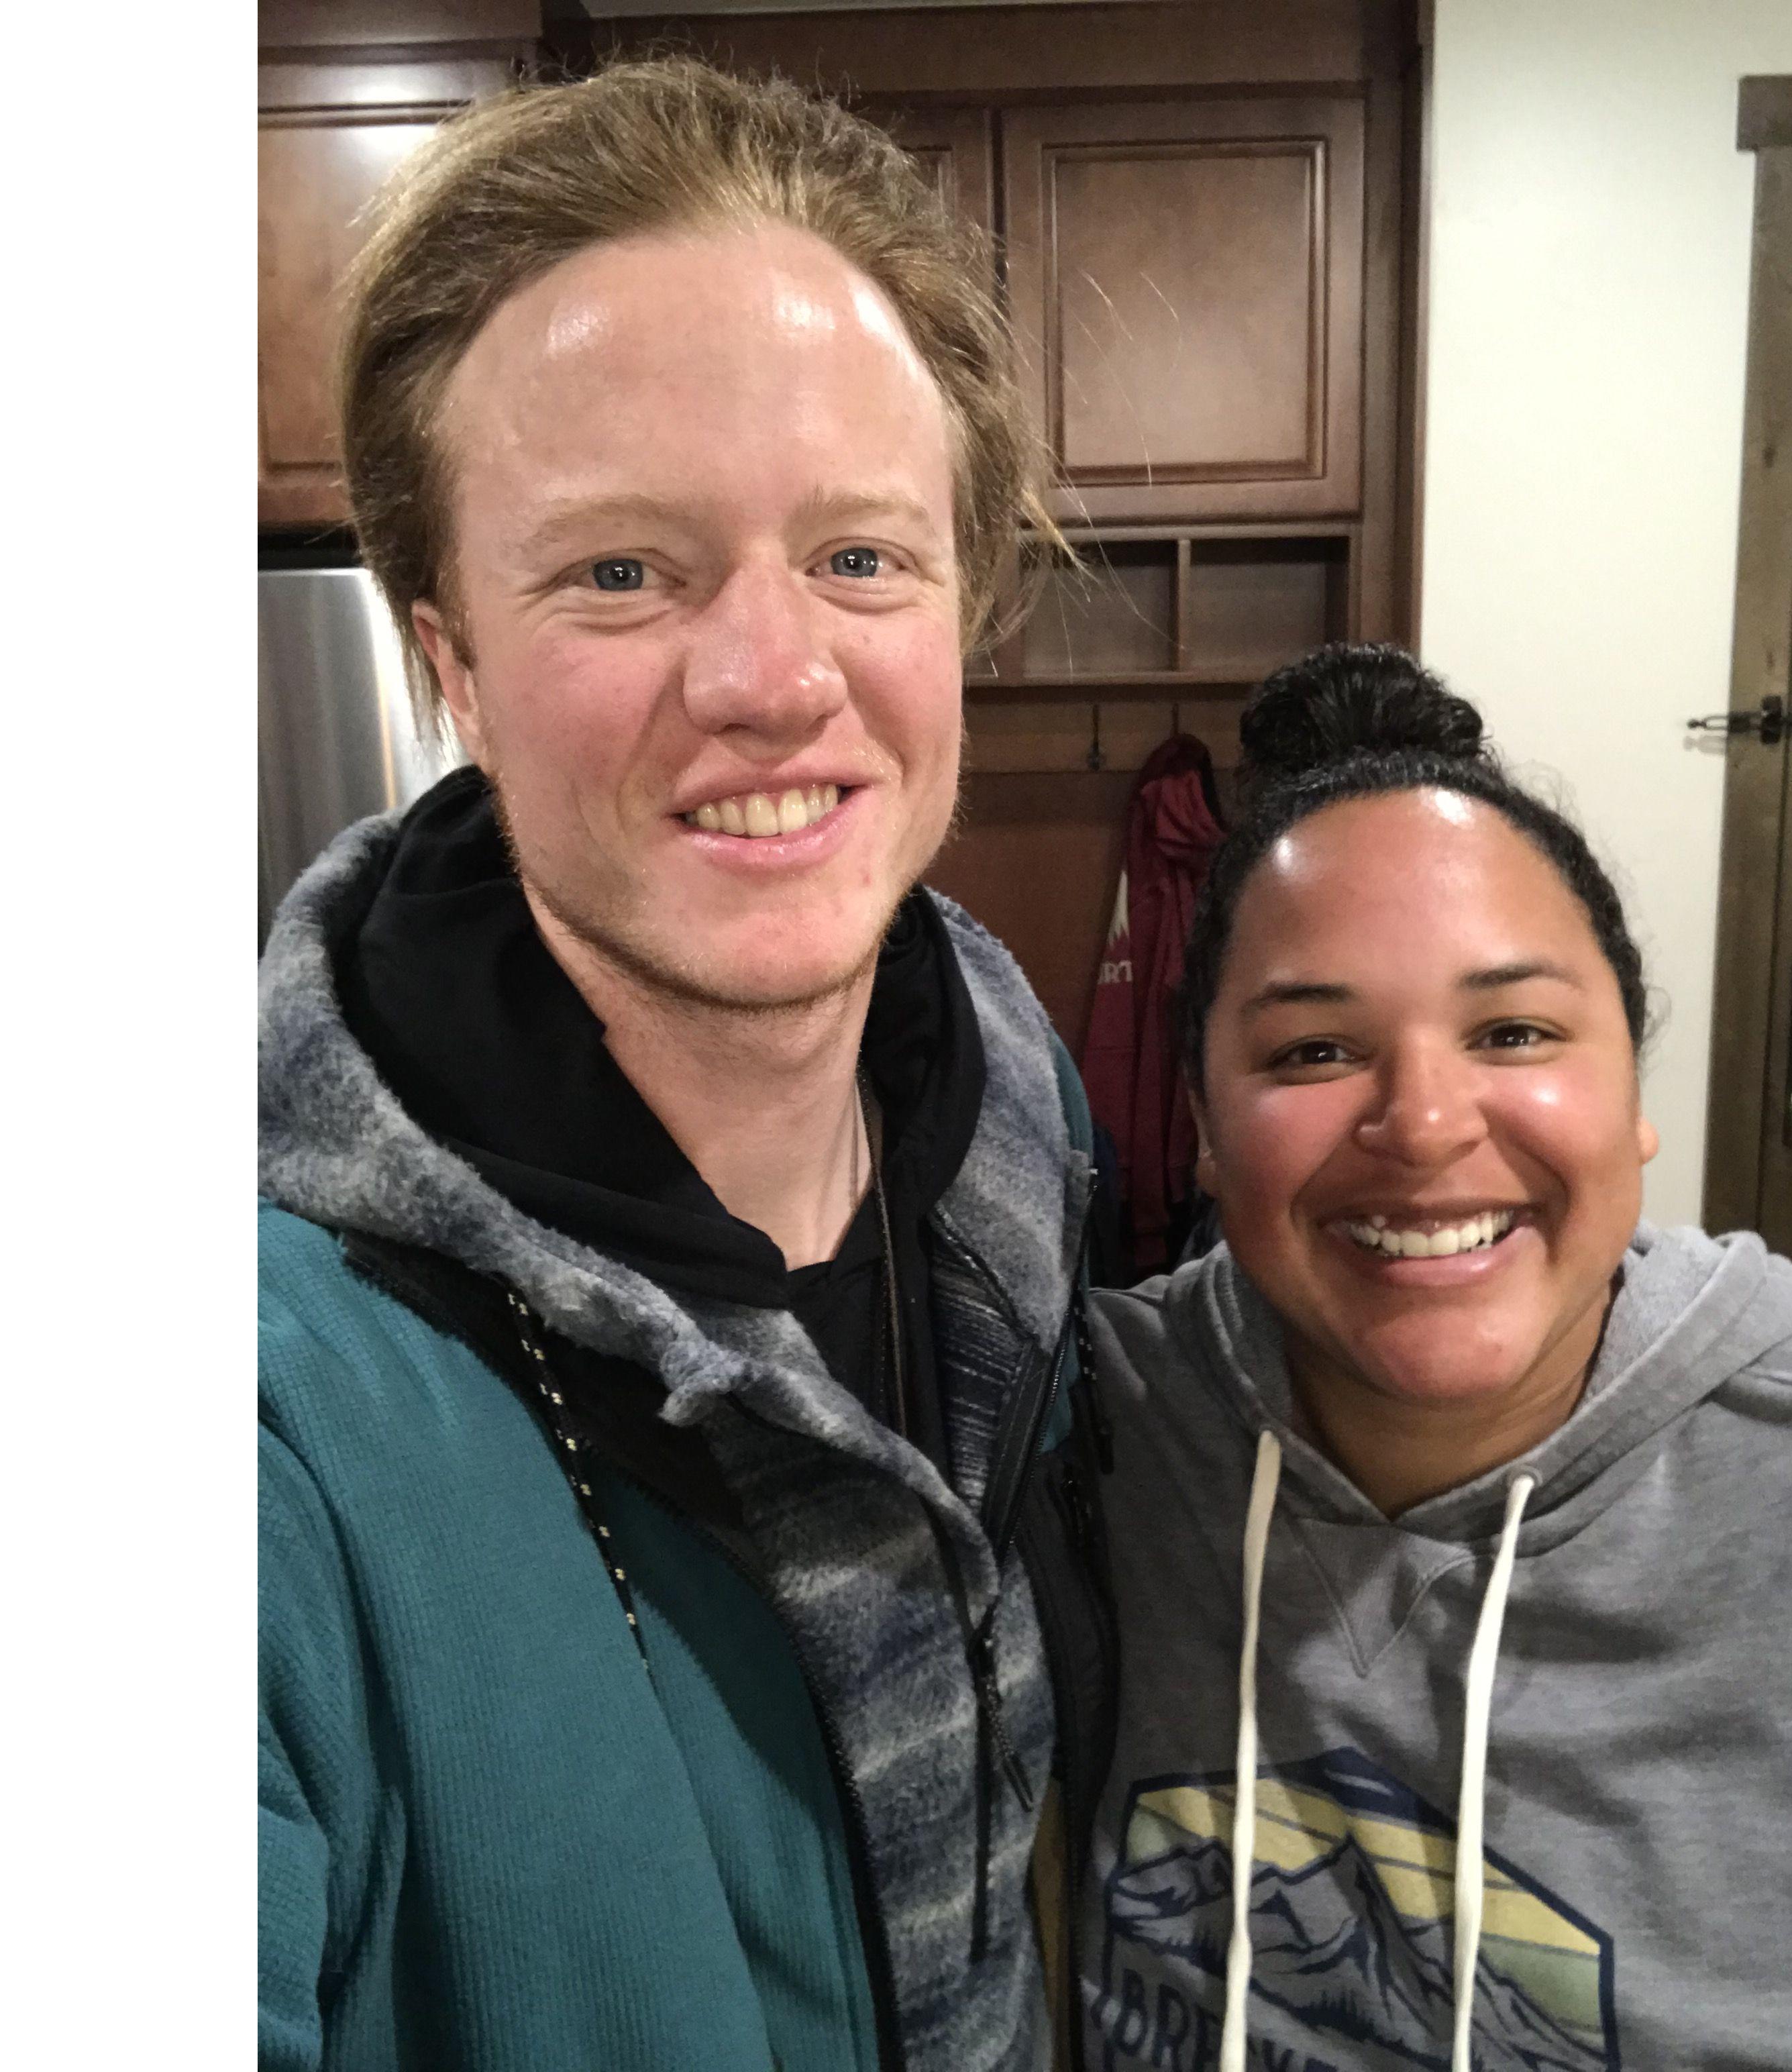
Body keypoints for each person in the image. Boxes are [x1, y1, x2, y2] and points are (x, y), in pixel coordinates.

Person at [258, 58, 1115, 2072]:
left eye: (860, 557)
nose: (770, 677)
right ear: (450, 658)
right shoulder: (254, 1417)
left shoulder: (1011, 1120)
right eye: (620, 572)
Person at [1077, 645, 1792, 2072]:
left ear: (1632, 1089)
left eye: (1513, 1031)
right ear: (1203, 1128)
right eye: (1313, 1050)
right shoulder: (1086, 1430)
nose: (1421, 1124)